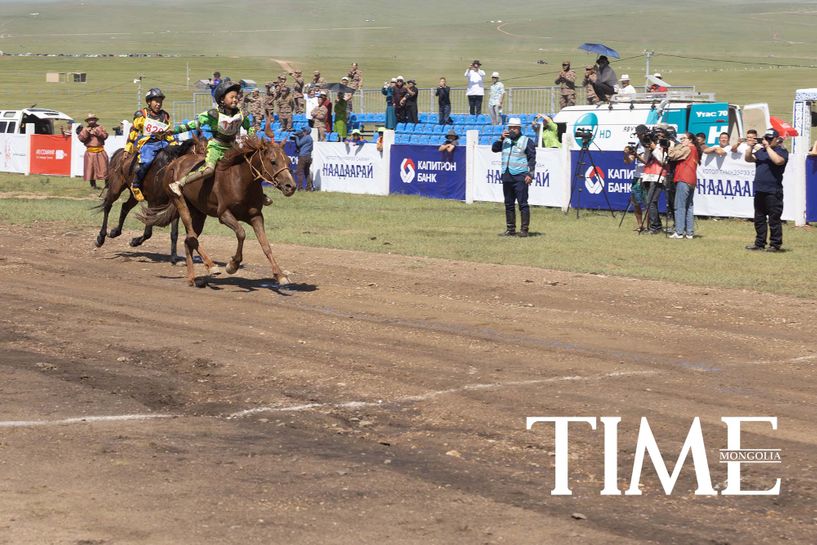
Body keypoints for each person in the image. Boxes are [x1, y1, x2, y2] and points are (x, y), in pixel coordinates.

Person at [168, 80, 257, 199]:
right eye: (232, 97)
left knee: (246, 167)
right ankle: (179, 183)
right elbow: (193, 124)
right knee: (209, 170)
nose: (235, 100)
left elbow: (249, 127)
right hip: (216, 147)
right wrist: (175, 131)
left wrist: (252, 135)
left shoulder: (240, 115)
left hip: (233, 148)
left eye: (236, 97)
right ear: (221, 99)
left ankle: (258, 195)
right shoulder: (213, 114)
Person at [124, 87, 176, 202]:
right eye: (156, 101)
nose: (158, 104)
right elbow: (133, 131)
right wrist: (127, 149)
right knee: (146, 161)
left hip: (163, 142)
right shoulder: (142, 115)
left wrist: (174, 143)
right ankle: (136, 185)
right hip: (148, 144)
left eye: (160, 101)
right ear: (149, 102)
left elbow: (167, 132)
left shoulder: (165, 116)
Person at [744, 129, 788, 252]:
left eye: (770, 139)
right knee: (759, 219)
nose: (767, 141)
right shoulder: (761, 151)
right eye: (766, 138)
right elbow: (748, 159)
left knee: (774, 219)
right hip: (760, 189)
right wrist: (750, 147)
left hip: (773, 191)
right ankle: (759, 243)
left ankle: (775, 244)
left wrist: (768, 147)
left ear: (776, 139)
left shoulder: (781, 151)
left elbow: (778, 161)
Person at [491, 117, 536, 237]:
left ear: (519, 128)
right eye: (510, 127)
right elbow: (494, 148)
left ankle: (524, 230)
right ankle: (510, 229)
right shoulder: (504, 140)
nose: (512, 130)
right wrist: (501, 138)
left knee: (523, 203)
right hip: (507, 175)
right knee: (508, 204)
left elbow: (532, 159)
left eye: (515, 128)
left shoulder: (527, 141)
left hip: (520, 176)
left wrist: (530, 174)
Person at [667, 132, 701, 239]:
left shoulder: (688, 148)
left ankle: (679, 232)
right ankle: (689, 233)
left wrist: (671, 146)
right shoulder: (694, 148)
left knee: (679, 206)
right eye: (681, 138)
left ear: (690, 140)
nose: (681, 140)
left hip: (683, 178)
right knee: (689, 207)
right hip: (691, 180)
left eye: (684, 138)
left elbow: (672, 156)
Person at [623, 125, 649, 232]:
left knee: (647, 203)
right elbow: (628, 161)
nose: (638, 136)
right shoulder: (638, 145)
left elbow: (647, 162)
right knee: (635, 202)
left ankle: (649, 226)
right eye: (637, 134)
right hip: (637, 176)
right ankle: (640, 225)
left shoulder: (649, 145)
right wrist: (626, 154)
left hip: (647, 176)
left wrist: (637, 156)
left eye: (639, 134)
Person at [77, 113, 109, 189]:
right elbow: (81, 139)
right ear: (87, 121)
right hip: (90, 152)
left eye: (92, 119)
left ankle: (107, 185)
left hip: (100, 151)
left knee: (104, 168)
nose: (91, 121)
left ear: (95, 120)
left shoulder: (100, 127)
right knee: (90, 169)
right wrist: (86, 133)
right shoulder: (85, 129)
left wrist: (97, 132)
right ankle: (93, 185)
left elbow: (105, 136)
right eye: (89, 120)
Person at [292, 126, 314, 191]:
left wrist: (296, 137)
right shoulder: (310, 138)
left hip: (303, 157)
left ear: (306, 132)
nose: (303, 132)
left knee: (299, 172)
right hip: (308, 157)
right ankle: (309, 188)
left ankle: (300, 188)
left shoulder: (306, 137)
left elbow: (298, 144)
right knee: (307, 173)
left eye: (304, 131)